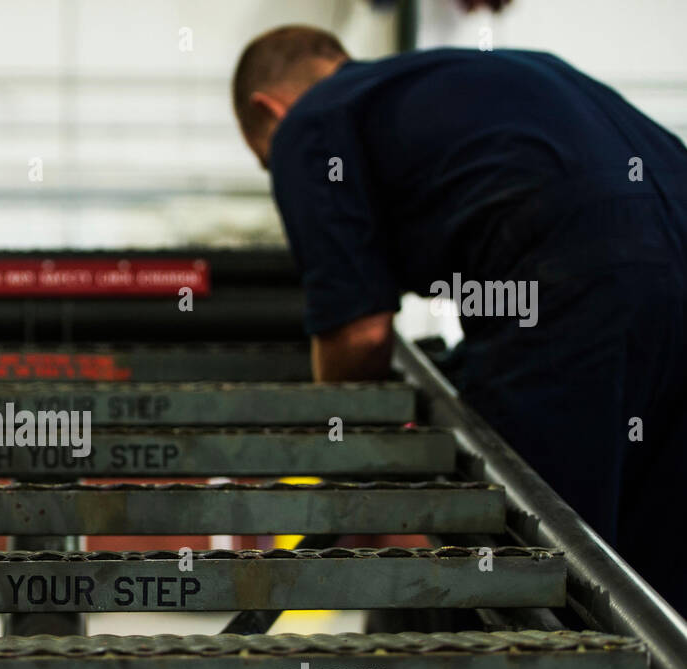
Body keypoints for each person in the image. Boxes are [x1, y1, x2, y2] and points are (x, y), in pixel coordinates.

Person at [232, 25, 687, 616]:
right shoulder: (503, 72)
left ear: (267, 109)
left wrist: (337, 451)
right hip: (664, 273)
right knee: (657, 595)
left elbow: (359, 334)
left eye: (269, 162)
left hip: (570, 295)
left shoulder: (310, 122)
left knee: (529, 586)